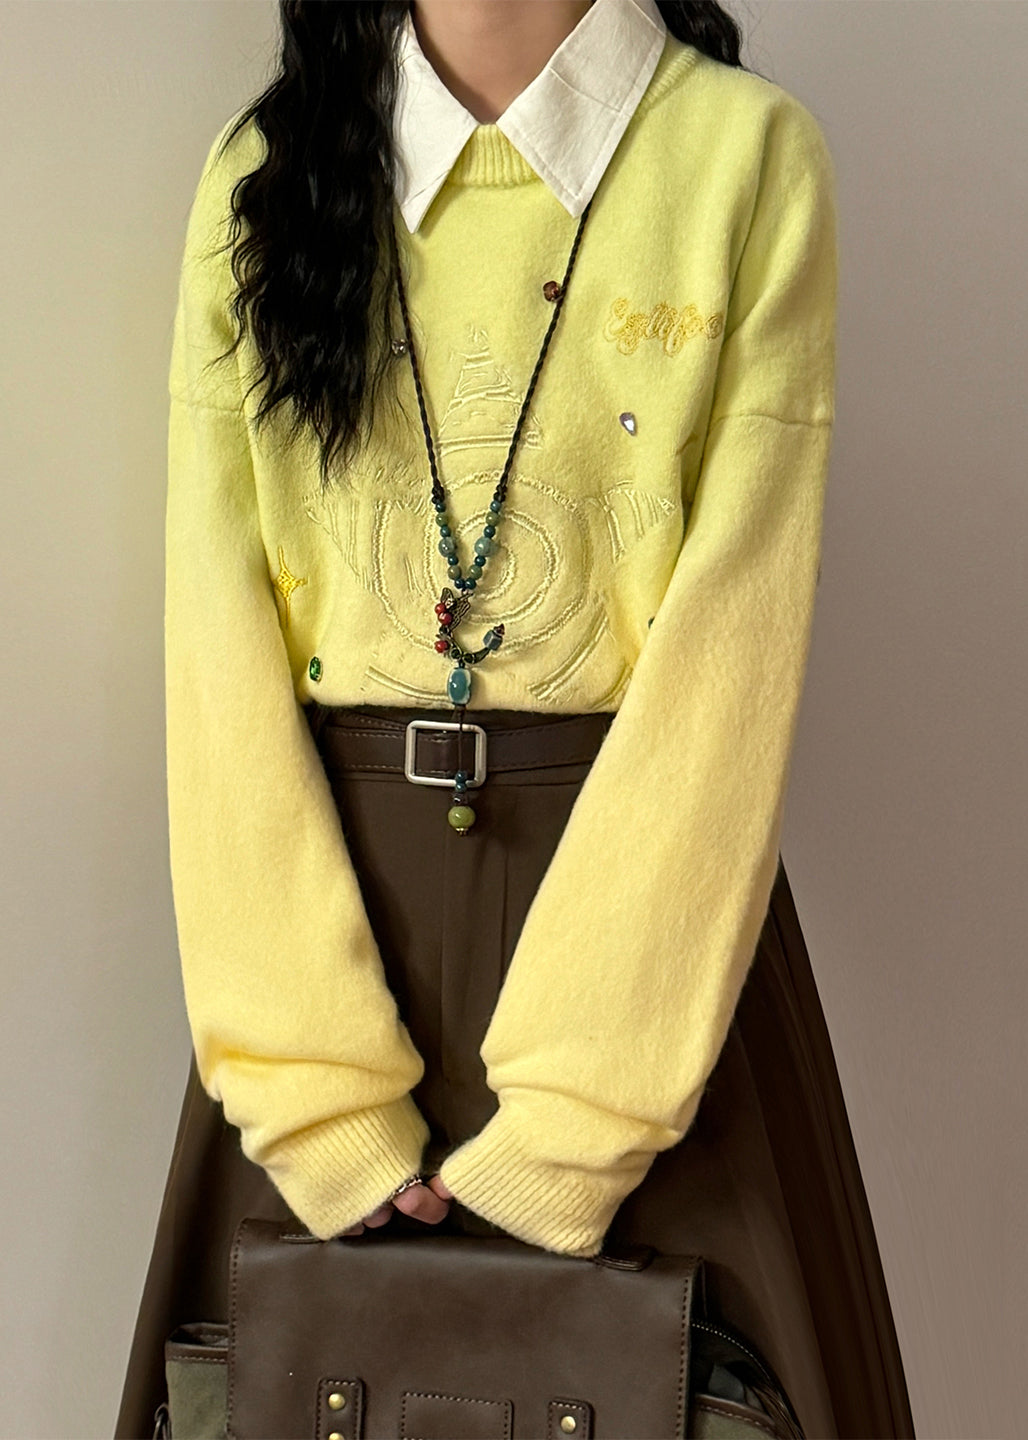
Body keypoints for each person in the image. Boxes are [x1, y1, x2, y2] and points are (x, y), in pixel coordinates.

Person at [115, 2, 916, 1436]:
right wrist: (316, 1095)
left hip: (648, 964)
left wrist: (583, 1115)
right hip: (323, 947)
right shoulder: (265, 170)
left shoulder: (742, 158)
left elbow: (732, 658)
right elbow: (214, 656)